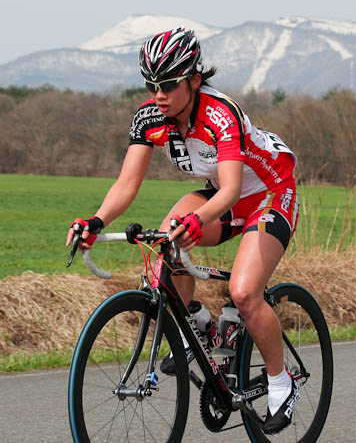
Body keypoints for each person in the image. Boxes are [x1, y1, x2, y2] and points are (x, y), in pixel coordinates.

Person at [66, 27, 300, 434]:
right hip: (222, 197)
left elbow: (229, 189)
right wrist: (95, 221)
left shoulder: (219, 114)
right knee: (165, 244)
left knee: (245, 293)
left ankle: (283, 382)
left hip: (268, 192)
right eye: (151, 84)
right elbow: (127, 183)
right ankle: (200, 326)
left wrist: (198, 219)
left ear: (193, 80)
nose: (159, 93)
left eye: (169, 84)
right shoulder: (149, 118)